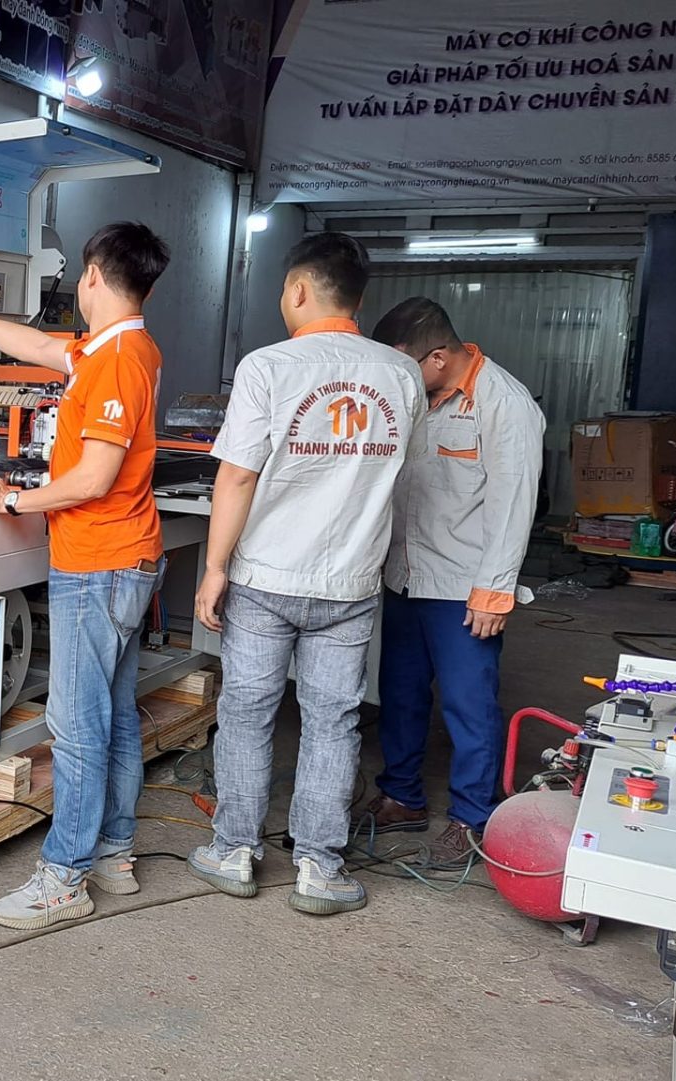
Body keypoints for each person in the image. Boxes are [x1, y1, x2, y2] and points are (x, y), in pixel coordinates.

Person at [0, 221, 171, 929]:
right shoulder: (116, 347)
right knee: (114, 717)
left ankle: (65, 876)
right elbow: (35, 347)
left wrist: (12, 499)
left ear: (91, 275)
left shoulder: (117, 359)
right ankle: (114, 851)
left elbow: (93, 477)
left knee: (77, 726)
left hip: (98, 563)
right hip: (122, 559)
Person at [189, 232, 424, 915]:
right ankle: (320, 867)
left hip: (266, 577)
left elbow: (237, 476)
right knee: (333, 722)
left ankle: (234, 850)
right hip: (351, 581)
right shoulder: (402, 374)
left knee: (247, 712)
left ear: (297, 289)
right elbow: (399, 474)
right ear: (357, 298)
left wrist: (213, 568)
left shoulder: (268, 366)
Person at [362, 297, 545, 868]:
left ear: (437, 358)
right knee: (400, 693)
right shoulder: (415, 398)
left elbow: (514, 506)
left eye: (405, 366)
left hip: (465, 588)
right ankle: (402, 796)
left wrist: (495, 591)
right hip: (406, 577)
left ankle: (472, 818)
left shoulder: (504, 404)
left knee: (469, 705)